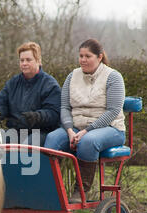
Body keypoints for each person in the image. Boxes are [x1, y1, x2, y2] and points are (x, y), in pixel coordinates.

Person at [44, 39, 126, 202]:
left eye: (87, 56)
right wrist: (68, 130)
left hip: (110, 129)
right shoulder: (72, 76)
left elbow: (113, 111)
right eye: (81, 56)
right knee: (52, 139)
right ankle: (50, 190)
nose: (83, 60)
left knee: (88, 142)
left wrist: (85, 131)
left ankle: (80, 190)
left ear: (99, 57)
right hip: (75, 128)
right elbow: (65, 108)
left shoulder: (113, 77)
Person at [0, 42, 61, 145]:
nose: (24, 63)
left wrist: (37, 117)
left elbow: (54, 113)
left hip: (41, 132)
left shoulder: (50, 85)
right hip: (15, 131)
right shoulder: (13, 83)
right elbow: (2, 103)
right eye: (22, 60)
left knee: (27, 147)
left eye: (28, 60)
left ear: (38, 61)